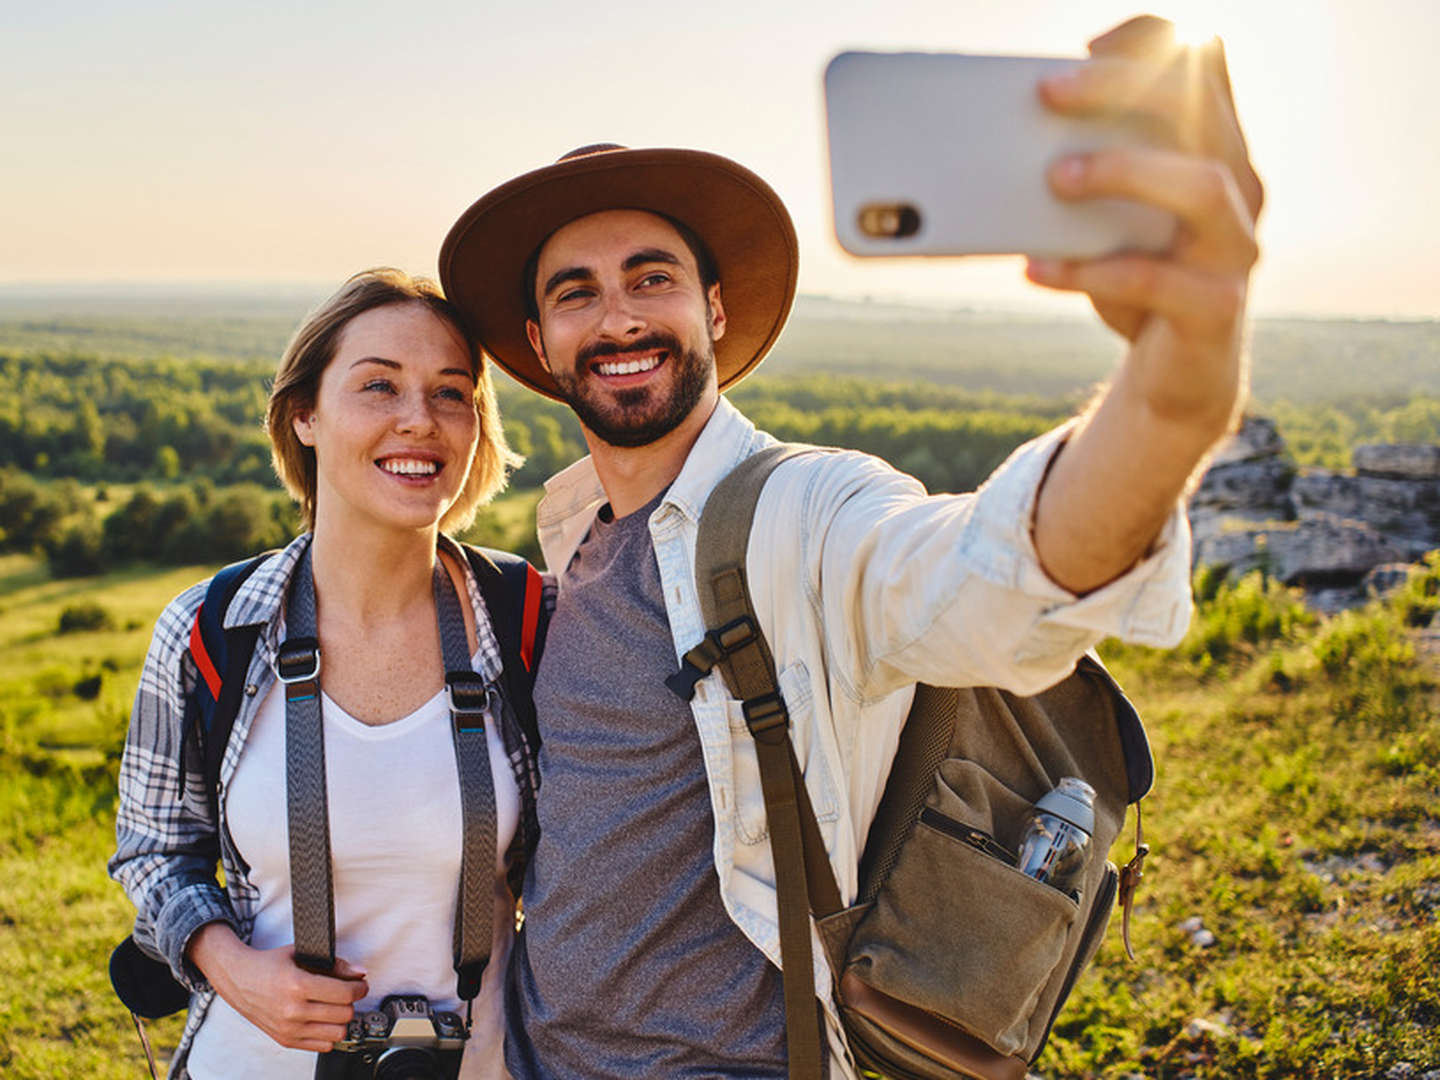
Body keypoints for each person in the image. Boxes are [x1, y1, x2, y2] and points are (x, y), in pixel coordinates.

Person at [437, 15, 1262, 1079]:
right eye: (576, 292)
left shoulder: (802, 513)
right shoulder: (576, 540)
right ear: (545, 348)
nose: (620, 318)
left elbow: (988, 582)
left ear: (714, 308)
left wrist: (1179, 382)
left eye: (653, 278)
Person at [109, 269, 535, 1079]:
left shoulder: (527, 621)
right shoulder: (211, 629)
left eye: (453, 394)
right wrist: (228, 965)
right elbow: (154, 849)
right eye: (379, 385)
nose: (420, 420)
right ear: (304, 414)